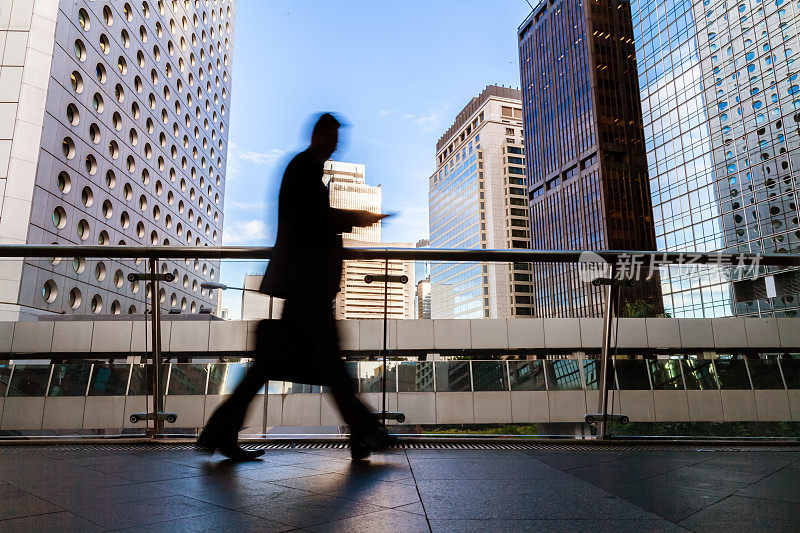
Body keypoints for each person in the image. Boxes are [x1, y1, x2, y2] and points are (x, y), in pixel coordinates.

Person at [198, 113, 397, 461]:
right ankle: (365, 433)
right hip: (307, 285)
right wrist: (360, 217)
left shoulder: (305, 168)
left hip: (305, 284)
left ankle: (220, 432)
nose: (336, 145)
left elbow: (311, 218)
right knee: (331, 365)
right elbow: (315, 219)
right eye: (332, 138)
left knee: (276, 364)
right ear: (319, 135)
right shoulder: (304, 168)